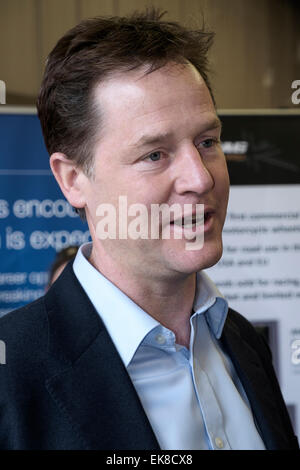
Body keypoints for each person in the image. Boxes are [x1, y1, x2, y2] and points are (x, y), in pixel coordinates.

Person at [0, 10, 298, 451]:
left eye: (207, 142)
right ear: (72, 179)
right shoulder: (12, 376)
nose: (201, 178)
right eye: (155, 154)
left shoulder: (242, 341)